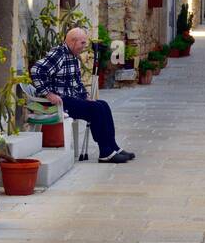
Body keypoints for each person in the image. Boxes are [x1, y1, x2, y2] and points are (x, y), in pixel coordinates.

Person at [29, 27, 134, 164]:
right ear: (72, 41)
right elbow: (36, 70)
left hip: (71, 99)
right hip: (59, 102)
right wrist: (48, 93)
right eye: (82, 43)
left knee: (103, 105)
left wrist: (85, 96)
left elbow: (77, 82)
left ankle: (113, 147)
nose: (85, 46)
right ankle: (105, 152)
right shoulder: (59, 54)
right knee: (96, 110)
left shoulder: (73, 56)